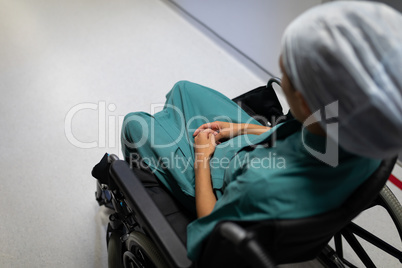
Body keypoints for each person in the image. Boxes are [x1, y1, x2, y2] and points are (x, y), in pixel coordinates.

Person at [121, 1, 402, 261]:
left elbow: (211, 225)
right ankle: (178, 130)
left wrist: (202, 158)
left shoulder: (261, 186)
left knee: (136, 125)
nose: (281, 67)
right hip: (260, 154)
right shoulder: (359, 128)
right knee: (184, 90)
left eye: (287, 71)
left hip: (222, 184)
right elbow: (294, 136)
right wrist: (242, 128)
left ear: (305, 101)